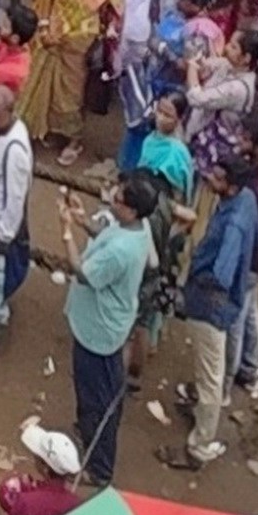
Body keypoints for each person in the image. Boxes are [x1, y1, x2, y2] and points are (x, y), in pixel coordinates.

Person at [61, 177, 154, 488]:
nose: (113, 203)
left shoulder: (121, 252)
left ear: (132, 210)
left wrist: (66, 233)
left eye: (119, 201)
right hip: (100, 322)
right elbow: (105, 233)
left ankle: (99, 467)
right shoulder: (135, 229)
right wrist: (82, 220)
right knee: (94, 389)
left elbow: (84, 272)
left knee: (97, 396)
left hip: (99, 330)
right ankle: (87, 431)